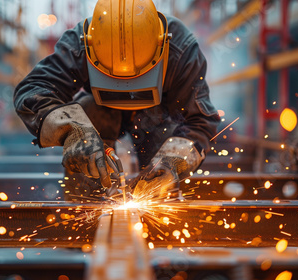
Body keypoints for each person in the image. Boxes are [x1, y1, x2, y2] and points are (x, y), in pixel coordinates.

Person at [14, 0, 220, 199]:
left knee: (165, 149)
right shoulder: (81, 41)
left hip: (158, 116)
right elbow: (34, 89)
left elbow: (200, 121)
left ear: (161, 45)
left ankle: (162, 206)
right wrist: (72, 130)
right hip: (101, 112)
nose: (128, 92)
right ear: (91, 47)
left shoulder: (181, 48)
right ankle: (85, 208)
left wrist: (173, 163)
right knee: (89, 113)